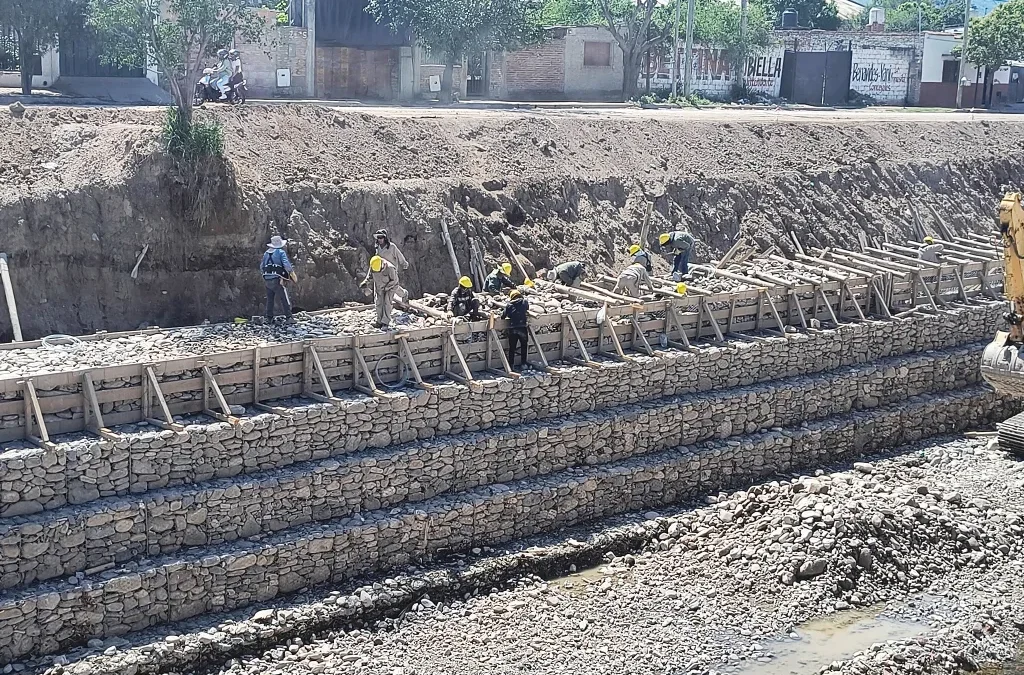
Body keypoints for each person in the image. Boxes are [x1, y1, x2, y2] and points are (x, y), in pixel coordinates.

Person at [363, 229, 410, 301]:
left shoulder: (392, 247)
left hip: (391, 269)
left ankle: (404, 294)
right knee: (380, 285)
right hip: (381, 269)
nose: (380, 239)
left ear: (385, 238)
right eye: (378, 237)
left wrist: (404, 263)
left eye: (381, 237)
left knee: (393, 285)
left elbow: (399, 255)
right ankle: (380, 302)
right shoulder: (377, 247)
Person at [261, 235, 297, 323]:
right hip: (277, 279)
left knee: (270, 299)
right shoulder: (280, 252)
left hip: (267, 279)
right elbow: (286, 264)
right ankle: (289, 317)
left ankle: (269, 318)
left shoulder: (266, 253)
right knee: (284, 298)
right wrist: (292, 274)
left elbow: (262, 266)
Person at [364, 255, 399, 329]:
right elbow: (369, 276)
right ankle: (379, 322)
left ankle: (385, 322)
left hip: (390, 287)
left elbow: (395, 281)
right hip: (379, 286)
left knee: (387, 303)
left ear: (382, 265)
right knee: (378, 303)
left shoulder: (390, 268)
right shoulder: (373, 265)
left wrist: (387, 288)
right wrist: (365, 283)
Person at [501, 289, 530, 370]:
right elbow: (527, 308)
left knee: (512, 348)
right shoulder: (524, 302)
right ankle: (523, 364)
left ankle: (511, 365)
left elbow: (502, 316)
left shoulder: (509, 305)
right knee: (524, 346)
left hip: (513, 328)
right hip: (522, 328)